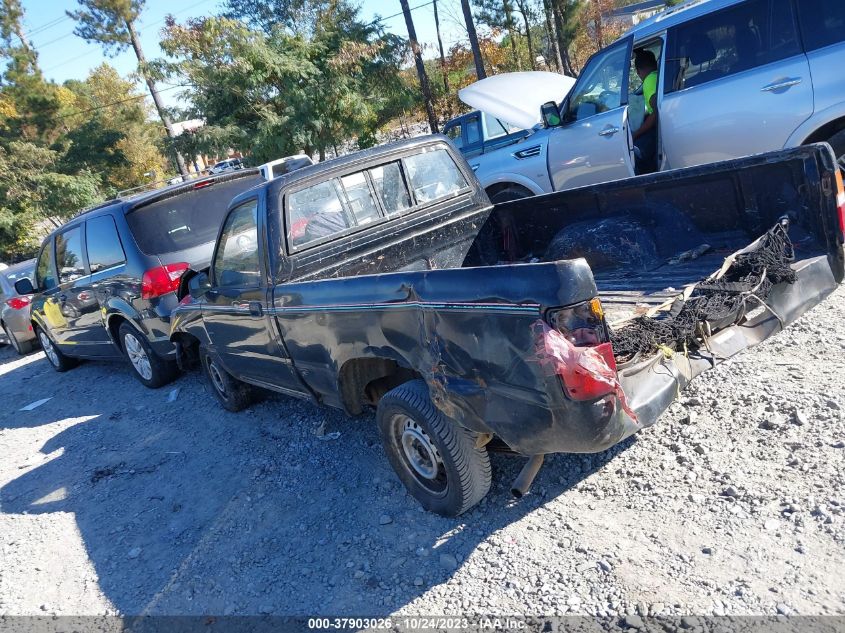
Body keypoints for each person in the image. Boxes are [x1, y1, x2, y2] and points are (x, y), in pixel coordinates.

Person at [632, 50, 659, 175]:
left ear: (638, 71)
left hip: (658, 129)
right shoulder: (658, 75)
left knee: (637, 152)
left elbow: (657, 112)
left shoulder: (649, 81)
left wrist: (636, 134)